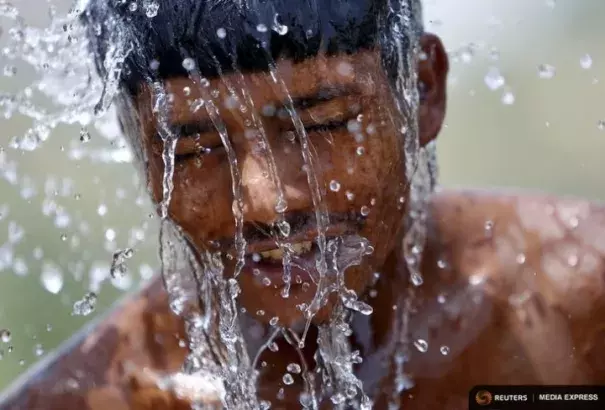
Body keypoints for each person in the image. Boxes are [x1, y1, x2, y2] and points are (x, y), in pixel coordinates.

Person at [1, 0, 605, 409]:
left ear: (422, 90)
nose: (263, 202)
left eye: (321, 125)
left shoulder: (576, 311)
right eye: (193, 149)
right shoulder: (94, 396)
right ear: (138, 150)